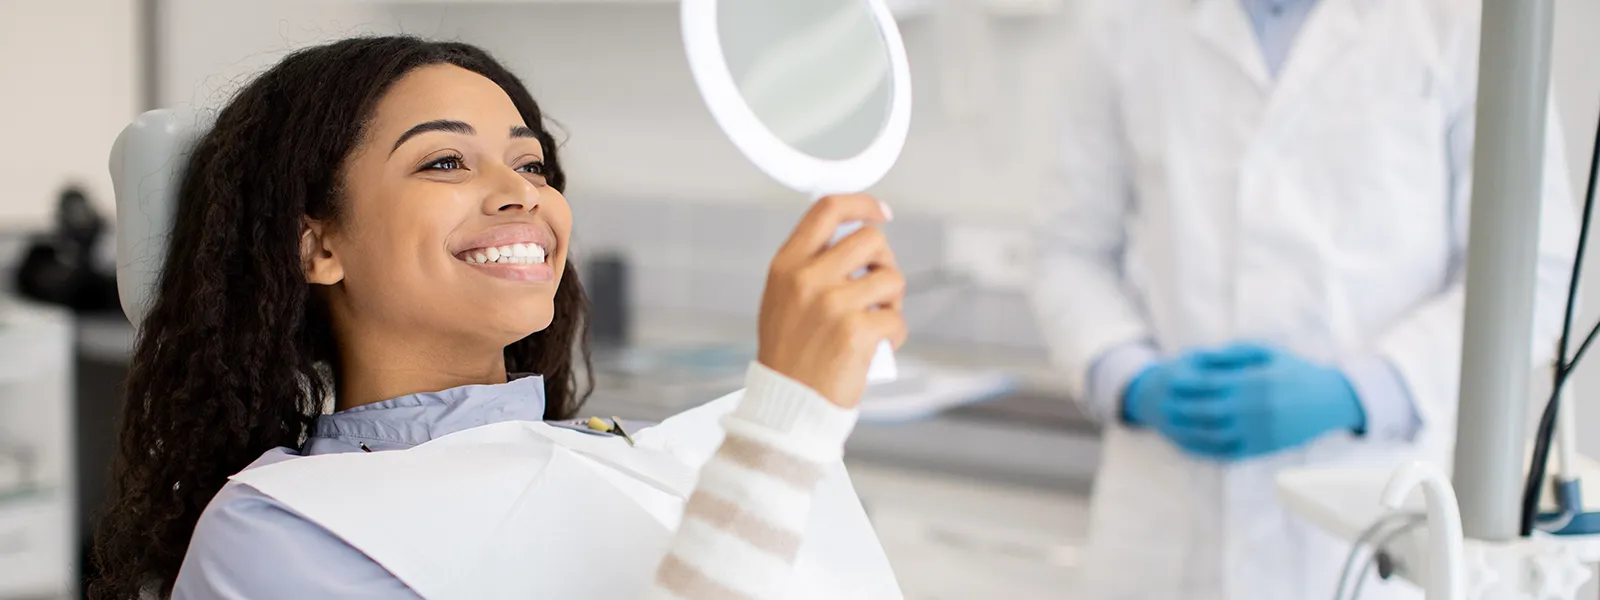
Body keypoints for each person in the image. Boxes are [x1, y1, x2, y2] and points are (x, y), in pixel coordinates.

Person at [89, 36, 906, 600]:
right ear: (318, 245)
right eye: (445, 161)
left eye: (531, 163)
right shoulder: (276, 536)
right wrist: (782, 428)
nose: (523, 193)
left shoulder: (631, 458)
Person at [1031, 1, 1578, 598]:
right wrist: (1130, 377)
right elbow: (1067, 250)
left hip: (1374, 511)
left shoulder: (1463, 23)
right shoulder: (1122, 22)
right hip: (1164, 517)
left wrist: (1362, 392)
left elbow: (1530, 274)